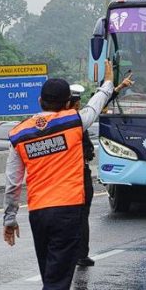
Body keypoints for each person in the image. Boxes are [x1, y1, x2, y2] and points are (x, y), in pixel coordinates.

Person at [3, 60, 128, 290]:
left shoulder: (20, 133)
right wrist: (109, 82)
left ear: (39, 101)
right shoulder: (73, 121)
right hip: (67, 212)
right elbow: (97, 104)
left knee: (51, 280)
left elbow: (12, 182)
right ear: (65, 104)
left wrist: (10, 219)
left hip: (38, 214)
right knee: (58, 282)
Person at [68, 84, 95, 267]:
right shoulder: (77, 123)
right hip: (78, 175)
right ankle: (80, 254)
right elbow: (88, 149)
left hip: (63, 177)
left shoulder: (54, 123)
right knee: (81, 215)